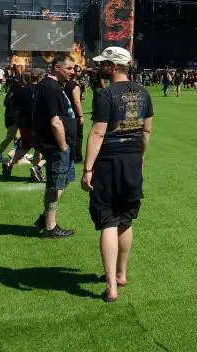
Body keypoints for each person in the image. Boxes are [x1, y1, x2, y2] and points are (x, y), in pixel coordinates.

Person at [82, 47, 153, 303]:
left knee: (109, 222)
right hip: (133, 160)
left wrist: (88, 168)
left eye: (104, 63)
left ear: (113, 66)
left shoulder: (105, 94)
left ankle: (111, 285)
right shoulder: (144, 92)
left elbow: (98, 133)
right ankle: (121, 273)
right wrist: (141, 159)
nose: (101, 67)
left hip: (109, 162)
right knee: (126, 220)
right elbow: (146, 131)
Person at [32, 54, 78, 238]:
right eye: (69, 68)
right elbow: (55, 122)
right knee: (54, 184)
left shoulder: (50, 86)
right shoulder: (51, 88)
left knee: (64, 181)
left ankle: (45, 218)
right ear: (57, 67)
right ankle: (50, 227)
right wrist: (63, 146)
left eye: (73, 68)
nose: (73, 72)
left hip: (61, 145)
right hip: (58, 146)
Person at [2, 70, 44, 182]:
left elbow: (12, 105)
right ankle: (35, 172)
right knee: (38, 149)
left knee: (25, 147)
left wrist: (18, 120)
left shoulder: (21, 91)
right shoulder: (41, 91)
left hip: (23, 124)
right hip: (36, 124)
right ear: (40, 78)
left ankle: (9, 163)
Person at [64, 68, 85, 163]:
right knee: (78, 136)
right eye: (79, 71)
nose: (81, 73)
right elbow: (77, 102)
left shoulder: (67, 84)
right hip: (74, 114)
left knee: (70, 136)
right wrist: (81, 116)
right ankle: (77, 157)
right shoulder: (74, 86)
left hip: (67, 113)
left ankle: (72, 156)